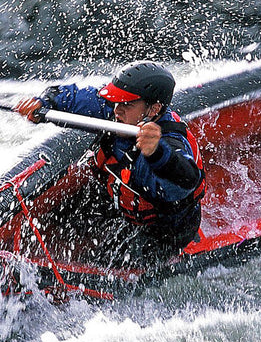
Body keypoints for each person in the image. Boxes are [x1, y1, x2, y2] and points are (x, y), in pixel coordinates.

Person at [15, 61, 205, 267]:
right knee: (61, 219)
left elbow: (183, 183)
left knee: (110, 262)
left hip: (161, 230)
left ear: (154, 108)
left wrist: (157, 153)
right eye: (117, 102)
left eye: (127, 104)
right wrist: (44, 102)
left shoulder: (171, 143)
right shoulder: (117, 111)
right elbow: (76, 97)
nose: (117, 111)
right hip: (117, 199)